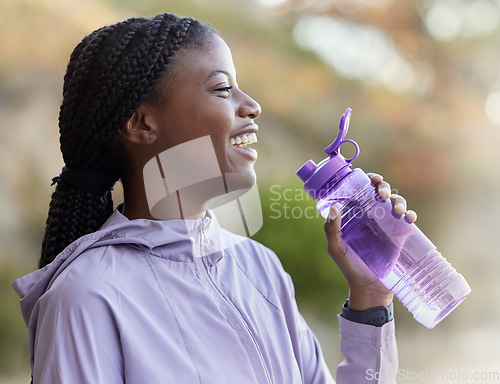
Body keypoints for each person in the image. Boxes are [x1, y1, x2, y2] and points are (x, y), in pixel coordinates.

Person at [13, 13, 416, 383]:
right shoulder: (85, 296)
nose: (253, 106)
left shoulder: (262, 270)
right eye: (222, 88)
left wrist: (370, 297)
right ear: (140, 124)